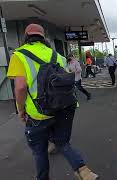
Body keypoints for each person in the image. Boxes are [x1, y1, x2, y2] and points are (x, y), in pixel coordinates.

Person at [7, 24, 98, 180]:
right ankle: (84, 171)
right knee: (63, 143)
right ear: (44, 39)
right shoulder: (58, 56)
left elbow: (20, 87)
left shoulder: (19, 55)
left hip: (39, 113)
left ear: (26, 37)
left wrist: (21, 110)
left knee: (39, 150)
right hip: (65, 107)